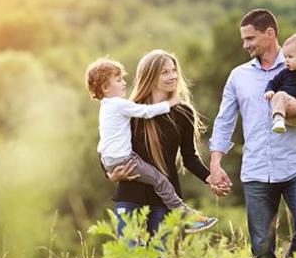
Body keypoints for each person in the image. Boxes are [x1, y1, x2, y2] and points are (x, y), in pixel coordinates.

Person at [207, 9, 296, 258]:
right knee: (261, 247)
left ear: (270, 34)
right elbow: (224, 121)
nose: (245, 44)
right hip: (257, 170)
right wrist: (215, 163)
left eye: (250, 38)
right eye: (244, 39)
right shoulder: (239, 76)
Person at [85, 57, 217, 234]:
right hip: (130, 196)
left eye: (174, 70)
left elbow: (189, 157)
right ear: (150, 76)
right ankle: (188, 216)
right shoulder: (130, 109)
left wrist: (211, 178)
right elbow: (108, 144)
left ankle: (187, 216)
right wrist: (110, 174)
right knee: (130, 257)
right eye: (165, 72)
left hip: (163, 201)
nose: (173, 76)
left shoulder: (183, 112)